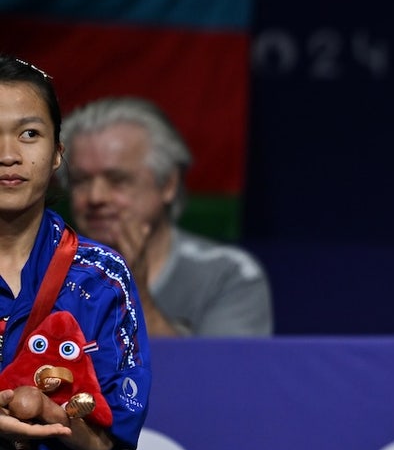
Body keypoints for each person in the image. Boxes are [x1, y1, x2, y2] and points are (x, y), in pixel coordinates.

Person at [0, 55, 152, 450]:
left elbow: (105, 438)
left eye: (29, 133)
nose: (9, 154)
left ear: (58, 152)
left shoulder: (100, 279)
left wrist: (53, 410)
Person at [59, 96, 273, 337]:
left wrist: (133, 295)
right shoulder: (35, 270)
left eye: (118, 180)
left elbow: (221, 374)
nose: (95, 197)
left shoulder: (227, 276)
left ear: (168, 184)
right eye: (80, 181)